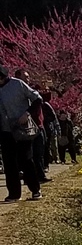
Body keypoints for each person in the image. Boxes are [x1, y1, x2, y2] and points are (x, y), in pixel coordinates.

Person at [0, 66, 43, 201]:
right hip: (5, 130)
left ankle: (35, 189)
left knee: (26, 159)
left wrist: (27, 113)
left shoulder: (17, 84)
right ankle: (14, 193)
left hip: (22, 128)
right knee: (9, 162)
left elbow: (37, 98)